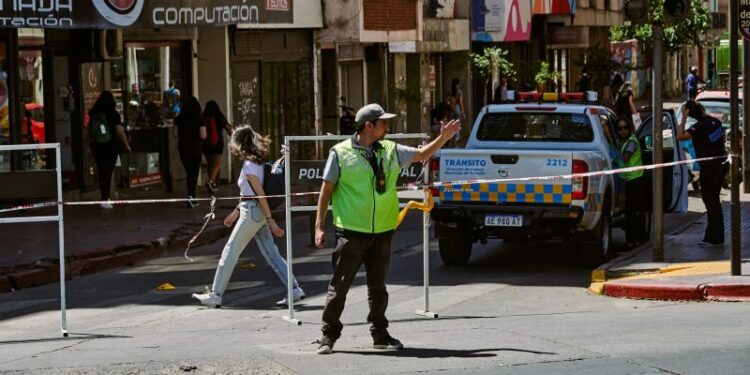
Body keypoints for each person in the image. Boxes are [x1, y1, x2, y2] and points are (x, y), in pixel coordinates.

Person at [312, 103, 461, 355]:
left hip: (382, 231)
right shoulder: (340, 153)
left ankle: (380, 334)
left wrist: (443, 138)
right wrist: (318, 226)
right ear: (368, 126)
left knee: (378, 288)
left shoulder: (390, 150)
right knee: (339, 287)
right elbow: (326, 190)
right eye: (383, 123)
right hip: (350, 231)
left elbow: (422, 154)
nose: (387, 127)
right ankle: (328, 335)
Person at [192, 125, 305, 307]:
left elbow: (259, 194)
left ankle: (216, 294)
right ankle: (294, 288)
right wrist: (236, 212)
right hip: (252, 211)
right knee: (271, 253)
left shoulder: (249, 165)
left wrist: (271, 221)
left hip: (253, 213)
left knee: (230, 252)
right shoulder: (258, 163)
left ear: (240, 144)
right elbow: (250, 193)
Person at [676, 100, 728, 247]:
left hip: (710, 168)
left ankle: (714, 239)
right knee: (714, 202)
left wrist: (684, 118)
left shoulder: (698, 127)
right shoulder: (715, 122)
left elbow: (680, 136)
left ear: (690, 113)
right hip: (721, 165)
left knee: (710, 203)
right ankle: (714, 237)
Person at [88, 91, 130, 209]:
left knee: (102, 171)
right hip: (110, 146)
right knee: (107, 172)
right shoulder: (113, 114)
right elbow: (119, 131)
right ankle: (105, 198)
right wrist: (126, 145)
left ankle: (104, 196)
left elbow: (89, 130)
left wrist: (89, 145)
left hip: (97, 146)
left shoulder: (94, 113)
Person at [615, 116, 646, 247]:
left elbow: (625, 158)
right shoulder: (621, 141)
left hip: (634, 180)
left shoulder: (631, 141)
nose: (623, 131)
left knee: (632, 212)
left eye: (625, 127)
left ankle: (634, 240)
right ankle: (633, 239)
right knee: (630, 212)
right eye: (620, 128)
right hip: (627, 179)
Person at [174, 96, 205, 207]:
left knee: (189, 171)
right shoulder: (199, 118)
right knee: (194, 172)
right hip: (196, 147)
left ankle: (191, 196)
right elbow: (203, 135)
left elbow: (175, 134)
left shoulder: (179, 118)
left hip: (183, 147)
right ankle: (191, 196)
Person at [202, 100, 232, 194]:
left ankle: (213, 184)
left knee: (210, 165)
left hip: (205, 144)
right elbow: (229, 129)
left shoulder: (203, 117)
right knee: (217, 165)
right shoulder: (219, 116)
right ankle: (211, 182)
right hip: (217, 144)